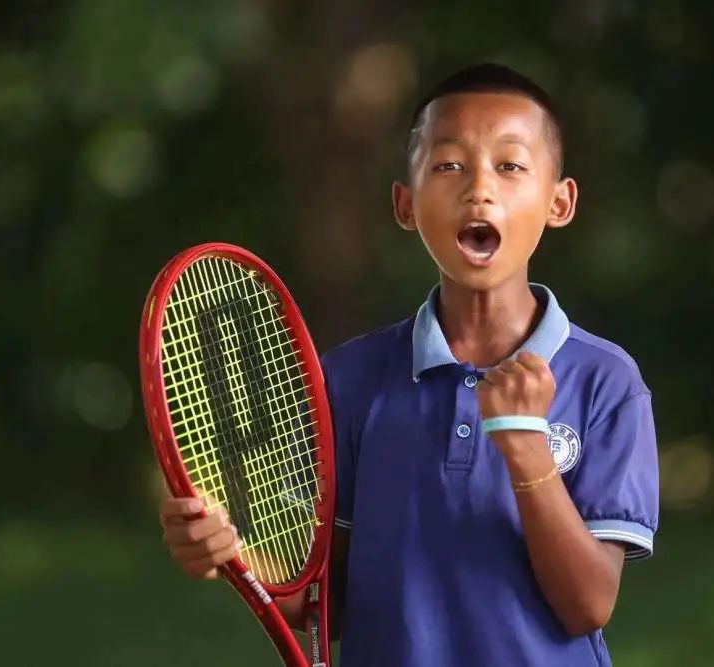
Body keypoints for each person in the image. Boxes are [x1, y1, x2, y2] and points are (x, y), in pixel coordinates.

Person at [159, 62, 659, 666]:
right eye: (448, 165)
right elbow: (330, 604)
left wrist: (526, 446)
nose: (480, 188)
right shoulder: (347, 380)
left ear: (560, 201)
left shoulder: (607, 382)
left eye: (511, 165)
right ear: (405, 203)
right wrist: (232, 558)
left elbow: (588, 605)